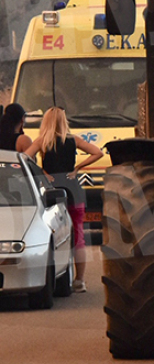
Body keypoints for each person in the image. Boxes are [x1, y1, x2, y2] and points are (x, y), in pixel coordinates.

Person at [26, 107, 103, 293]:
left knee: (53, 235)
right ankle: (80, 280)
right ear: (64, 121)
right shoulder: (73, 140)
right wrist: (77, 168)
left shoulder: (42, 141)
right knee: (78, 237)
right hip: (74, 190)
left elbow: (25, 157)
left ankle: (57, 277)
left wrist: (43, 173)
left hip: (53, 192)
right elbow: (98, 152)